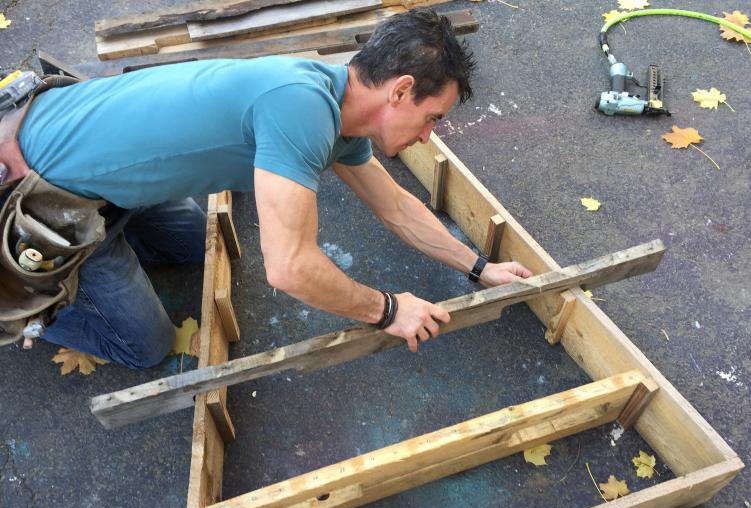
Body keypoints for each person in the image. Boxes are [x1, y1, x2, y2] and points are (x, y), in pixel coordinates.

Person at [12, 8, 531, 368]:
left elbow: (394, 205)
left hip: (99, 178)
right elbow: (289, 268)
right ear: (400, 90)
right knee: (145, 345)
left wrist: (479, 267)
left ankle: (113, 227)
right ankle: (26, 310)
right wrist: (389, 310)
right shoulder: (299, 109)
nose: (427, 135)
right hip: (40, 196)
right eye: (431, 118)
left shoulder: (334, 100)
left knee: (198, 241)